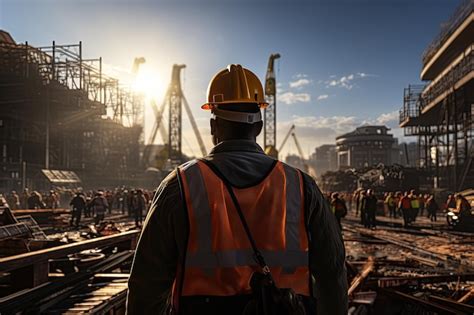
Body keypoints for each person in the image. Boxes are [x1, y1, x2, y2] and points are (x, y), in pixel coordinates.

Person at [127, 65, 348, 315]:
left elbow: (146, 284)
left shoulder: (180, 185)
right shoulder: (300, 185)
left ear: (213, 127)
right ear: (260, 127)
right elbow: (332, 274)